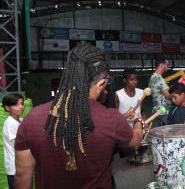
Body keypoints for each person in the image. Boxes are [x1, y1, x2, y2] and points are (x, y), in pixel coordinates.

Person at [14, 45, 143, 189]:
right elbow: (135, 141)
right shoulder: (112, 119)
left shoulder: (31, 118)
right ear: (101, 83)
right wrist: (138, 122)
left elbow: (22, 175)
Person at [2, 93, 24, 189]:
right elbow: (20, 144)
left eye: (22, 103)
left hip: (21, 165)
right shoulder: (10, 123)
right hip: (14, 167)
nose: (21, 107)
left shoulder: (20, 120)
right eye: (16, 105)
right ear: (7, 108)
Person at [148, 56, 171, 126]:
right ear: (162, 65)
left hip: (158, 111)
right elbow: (169, 96)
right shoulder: (158, 78)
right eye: (167, 65)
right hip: (163, 112)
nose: (168, 67)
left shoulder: (153, 77)